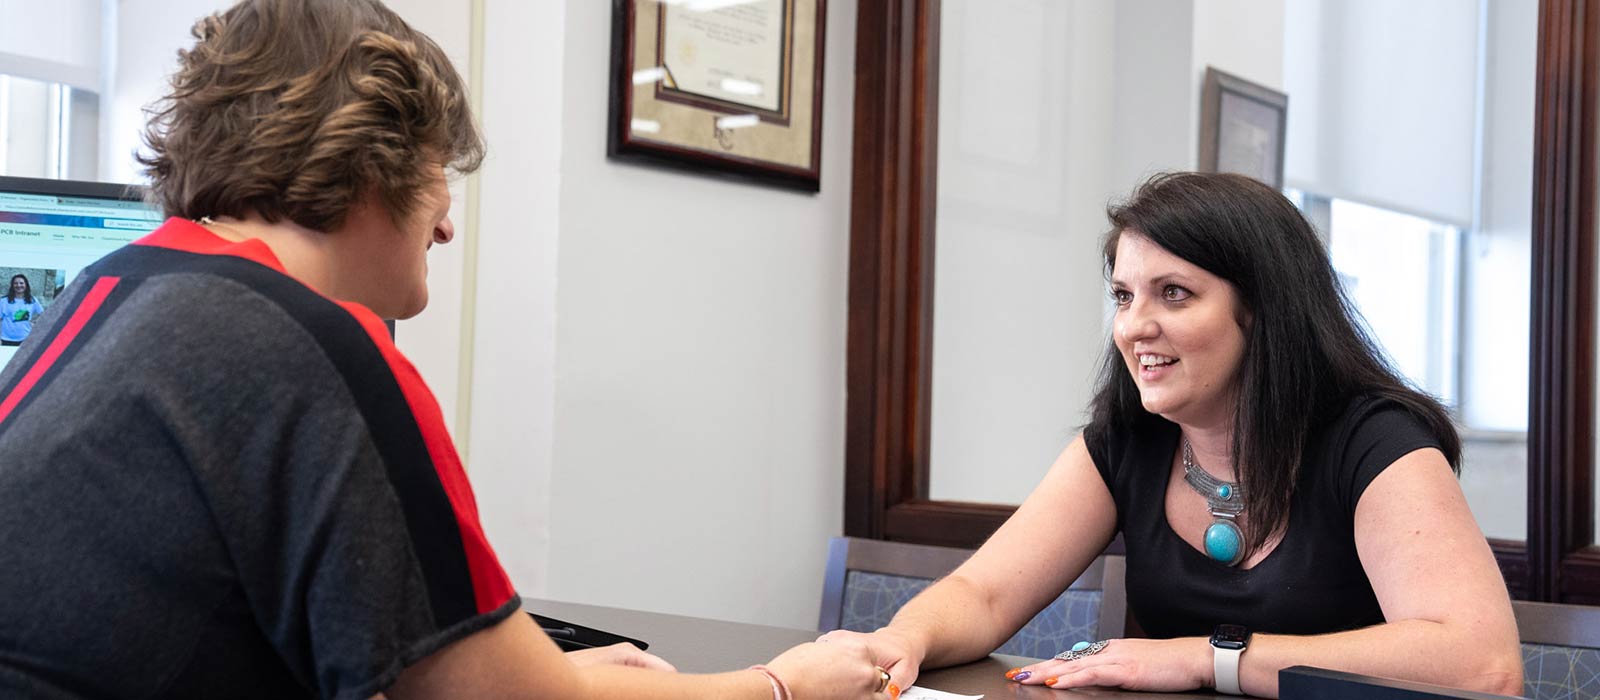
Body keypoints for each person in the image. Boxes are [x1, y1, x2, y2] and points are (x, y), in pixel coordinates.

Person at [0, 1, 895, 699]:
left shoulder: (109, 288)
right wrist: (784, 683)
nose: (449, 223)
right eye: (439, 172)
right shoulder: (317, 347)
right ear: (374, 158)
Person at [821, 172, 1523, 698]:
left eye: (1174, 293)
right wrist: (898, 643)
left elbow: (1481, 666)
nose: (1132, 326)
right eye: (1124, 295)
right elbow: (985, 595)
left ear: (1263, 311)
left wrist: (1204, 657)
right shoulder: (1128, 441)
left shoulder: (1376, 443)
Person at [0, 274, 44, 346]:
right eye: (15, 283)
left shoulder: (32, 300)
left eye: (21, 283)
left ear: (26, 285)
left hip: (26, 338)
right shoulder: (4, 301)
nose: (18, 285)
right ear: (12, 285)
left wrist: (35, 322)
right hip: (7, 339)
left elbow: (43, 314)